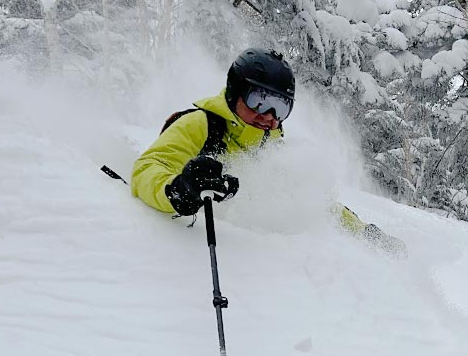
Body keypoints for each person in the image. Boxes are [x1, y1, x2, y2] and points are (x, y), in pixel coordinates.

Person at [131, 48, 404, 254]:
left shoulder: (271, 145)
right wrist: (180, 190)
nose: (270, 117)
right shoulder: (200, 124)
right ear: (235, 92)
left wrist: (365, 233)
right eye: (260, 101)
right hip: (189, 253)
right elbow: (148, 169)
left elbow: (312, 203)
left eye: (281, 108)